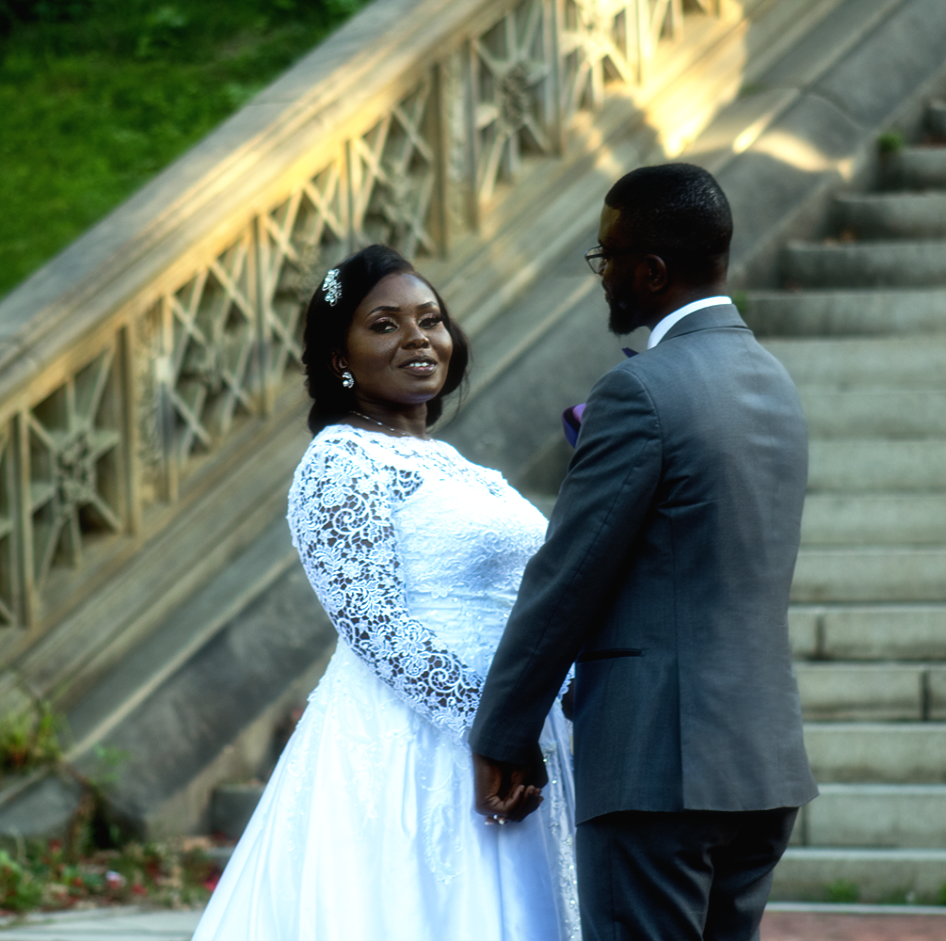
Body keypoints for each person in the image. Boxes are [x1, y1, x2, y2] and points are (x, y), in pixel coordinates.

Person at [469, 163, 818, 941]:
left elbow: (568, 575)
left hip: (658, 766)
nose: (602, 275)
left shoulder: (641, 391)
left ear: (651, 271)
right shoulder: (774, 382)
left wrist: (501, 732)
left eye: (608, 256)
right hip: (762, 762)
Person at [193, 244, 579, 941]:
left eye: (430, 320)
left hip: (514, 730)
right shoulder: (339, 461)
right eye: (384, 324)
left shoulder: (452, 462)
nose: (417, 338)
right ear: (338, 357)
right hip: (418, 745)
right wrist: (492, 731)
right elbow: (373, 621)